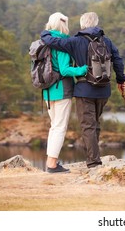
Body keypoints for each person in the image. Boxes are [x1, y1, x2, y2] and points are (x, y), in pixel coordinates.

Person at [40, 12, 125, 168]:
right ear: (96, 23)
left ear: (81, 24)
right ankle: (95, 157)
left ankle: (93, 162)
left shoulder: (75, 41)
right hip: (103, 90)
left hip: (84, 90)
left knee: (88, 126)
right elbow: (118, 60)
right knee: (95, 124)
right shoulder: (106, 41)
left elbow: (52, 41)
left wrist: (45, 32)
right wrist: (121, 80)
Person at [43, 12, 88, 173]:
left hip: (47, 91)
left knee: (54, 127)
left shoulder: (44, 42)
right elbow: (64, 69)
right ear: (63, 25)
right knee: (60, 127)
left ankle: (50, 162)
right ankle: (52, 165)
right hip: (62, 89)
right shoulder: (61, 43)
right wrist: (83, 69)